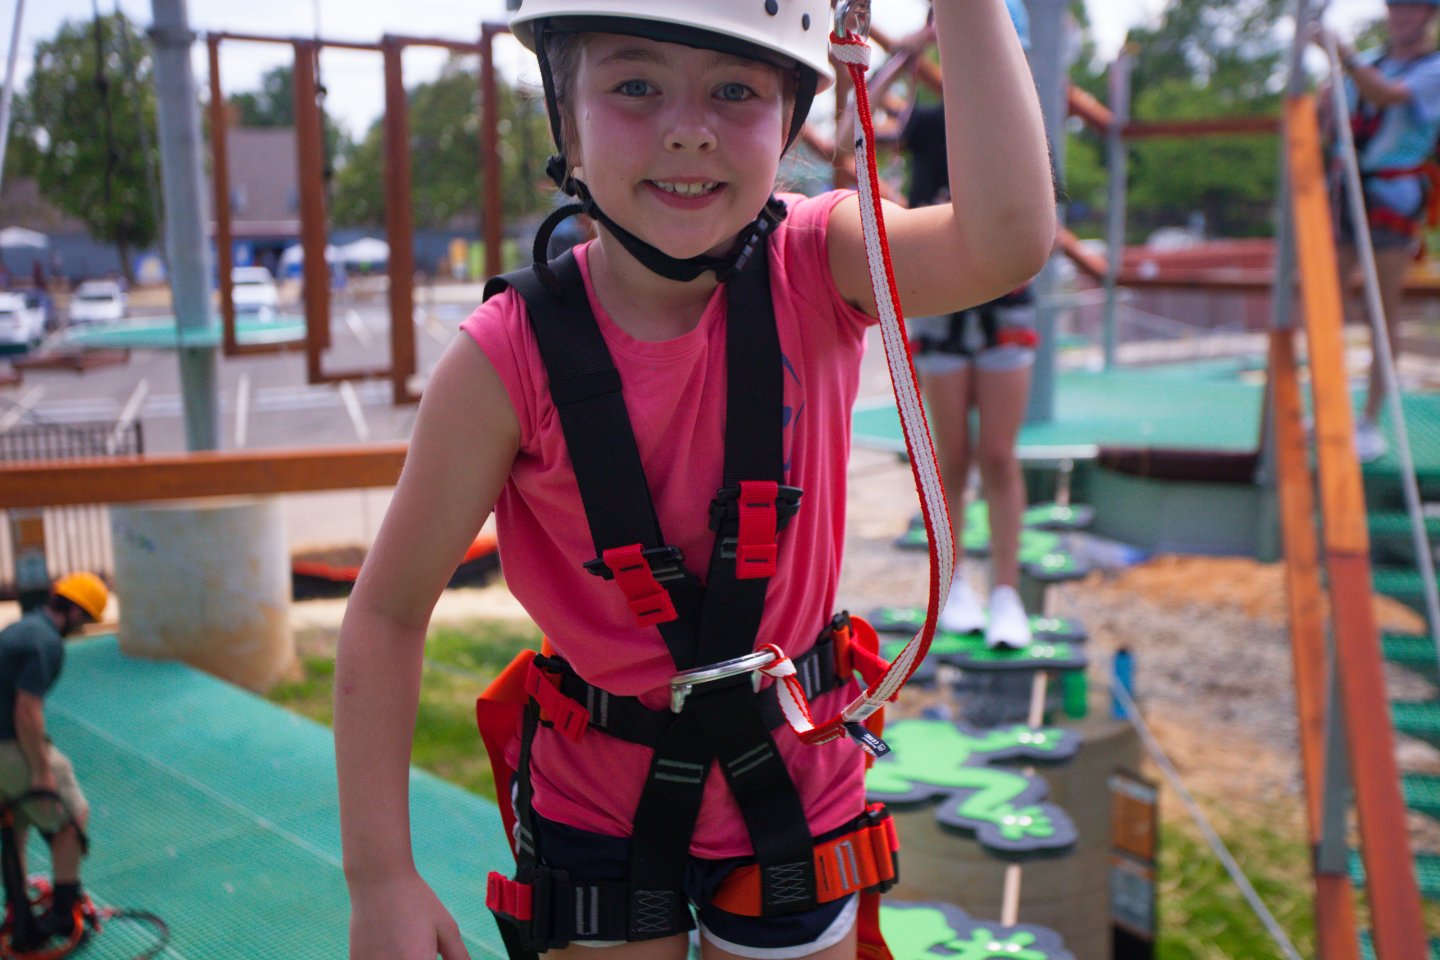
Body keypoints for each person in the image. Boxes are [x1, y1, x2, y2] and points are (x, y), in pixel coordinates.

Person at [333, 1, 1054, 958]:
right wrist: (380, 876)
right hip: (601, 805)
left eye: (735, 90)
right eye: (635, 84)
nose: (687, 126)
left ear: (789, 124)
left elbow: (1004, 239)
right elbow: (386, 614)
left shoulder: (820, 263)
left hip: (794, 786)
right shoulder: (504, 362)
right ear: (567, 123)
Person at [900, 0, 1039, 650]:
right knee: (950, 457)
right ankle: (955, 585)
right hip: (944, 305)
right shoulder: (927, 126)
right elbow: (862, 128)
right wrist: (912, 49)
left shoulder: (1027, 122)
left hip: (1004, 306)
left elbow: (1039, 219)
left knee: (999, 456)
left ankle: (1007, 589)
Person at [1316, 0, 1440, 462]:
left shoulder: (1432, 68)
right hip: (1345, 191)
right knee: (1327, 302)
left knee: (1381, 310)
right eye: (1395, 9)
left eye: (1411, 10)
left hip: (1394, 196)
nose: (1400, 17)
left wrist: (1342, 57)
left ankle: (1368, 420)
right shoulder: (1367, 61)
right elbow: (1332, 114)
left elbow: (1388, 95)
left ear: (1428, 17)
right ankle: (1330, 410)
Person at [0, 572, 106, 944]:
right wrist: (43, 772)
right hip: (7, 745)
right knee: (70, 818)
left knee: (13, 824)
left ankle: (20, 914)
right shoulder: (47, 642)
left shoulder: (19, 629)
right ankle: (63, 914)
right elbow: (27, 711)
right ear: (76, 612)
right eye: (87, 620)